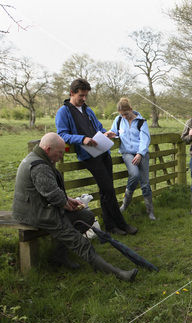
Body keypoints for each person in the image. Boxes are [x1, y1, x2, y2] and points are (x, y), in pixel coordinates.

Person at [12, 133, 137, 281]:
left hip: (40, 207)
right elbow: (53, 195)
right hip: (33, 213)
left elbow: (50, 192)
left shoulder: (41, 158)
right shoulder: (39, 167)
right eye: (59, 153)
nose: (61, 157)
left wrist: (68, 200)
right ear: (47, 149)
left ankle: (59, 256)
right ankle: (118, 274)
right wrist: (66, 204)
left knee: (86, 216)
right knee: (80, 242)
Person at [55, 78, 137, 236]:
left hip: (102, 150)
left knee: (108, 190)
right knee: (107, 189)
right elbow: (62, 134)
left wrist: (106, 132)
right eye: (81, 96)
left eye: (86, 96)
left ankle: (110, 226)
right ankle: (121, 224)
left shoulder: (87, 110)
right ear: (72, 93)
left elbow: (98, 127)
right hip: (88, 155)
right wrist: (82, 139)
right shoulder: (63, 112)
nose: (84, 99)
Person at [112, 97, 155, 220]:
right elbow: (114, 132)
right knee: (134, 175)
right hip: (127, 153)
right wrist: (110, 134)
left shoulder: (141, 121)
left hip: (142, 154)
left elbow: (145, 139)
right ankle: (125, 205)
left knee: (145, 183)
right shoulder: (119, 120)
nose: (124, 116)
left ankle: (150, 211)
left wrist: (140, 154)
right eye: (122, 115)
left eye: (126, 114)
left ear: (131, 109)